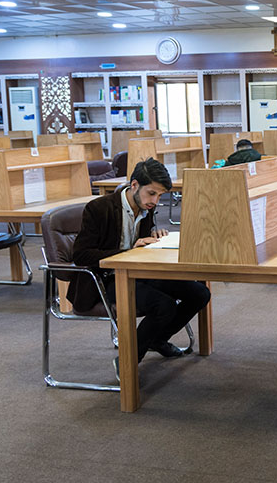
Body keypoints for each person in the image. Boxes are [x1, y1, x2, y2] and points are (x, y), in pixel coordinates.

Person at [72, 157, 210, 377]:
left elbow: (140, 240)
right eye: (152, 193)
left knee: (200, 293)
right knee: (163, 306)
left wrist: (154, 236)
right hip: (106, 278)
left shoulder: (146, 207)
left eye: (160, 196)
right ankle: (128, 359)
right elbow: (80, 255)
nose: (155, 201)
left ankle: (157, 339)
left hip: (139, 271)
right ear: (134, 185)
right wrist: (127, 250)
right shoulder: (99, 208)